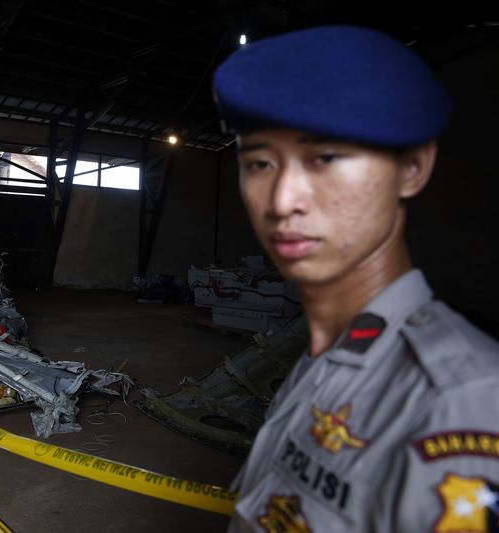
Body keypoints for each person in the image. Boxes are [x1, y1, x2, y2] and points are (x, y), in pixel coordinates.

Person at [212, 25, 499, 531]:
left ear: (412, 168)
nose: (281, 202)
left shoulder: (461, 401)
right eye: (259, 162)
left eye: (325, 158)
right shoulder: (331, 356)